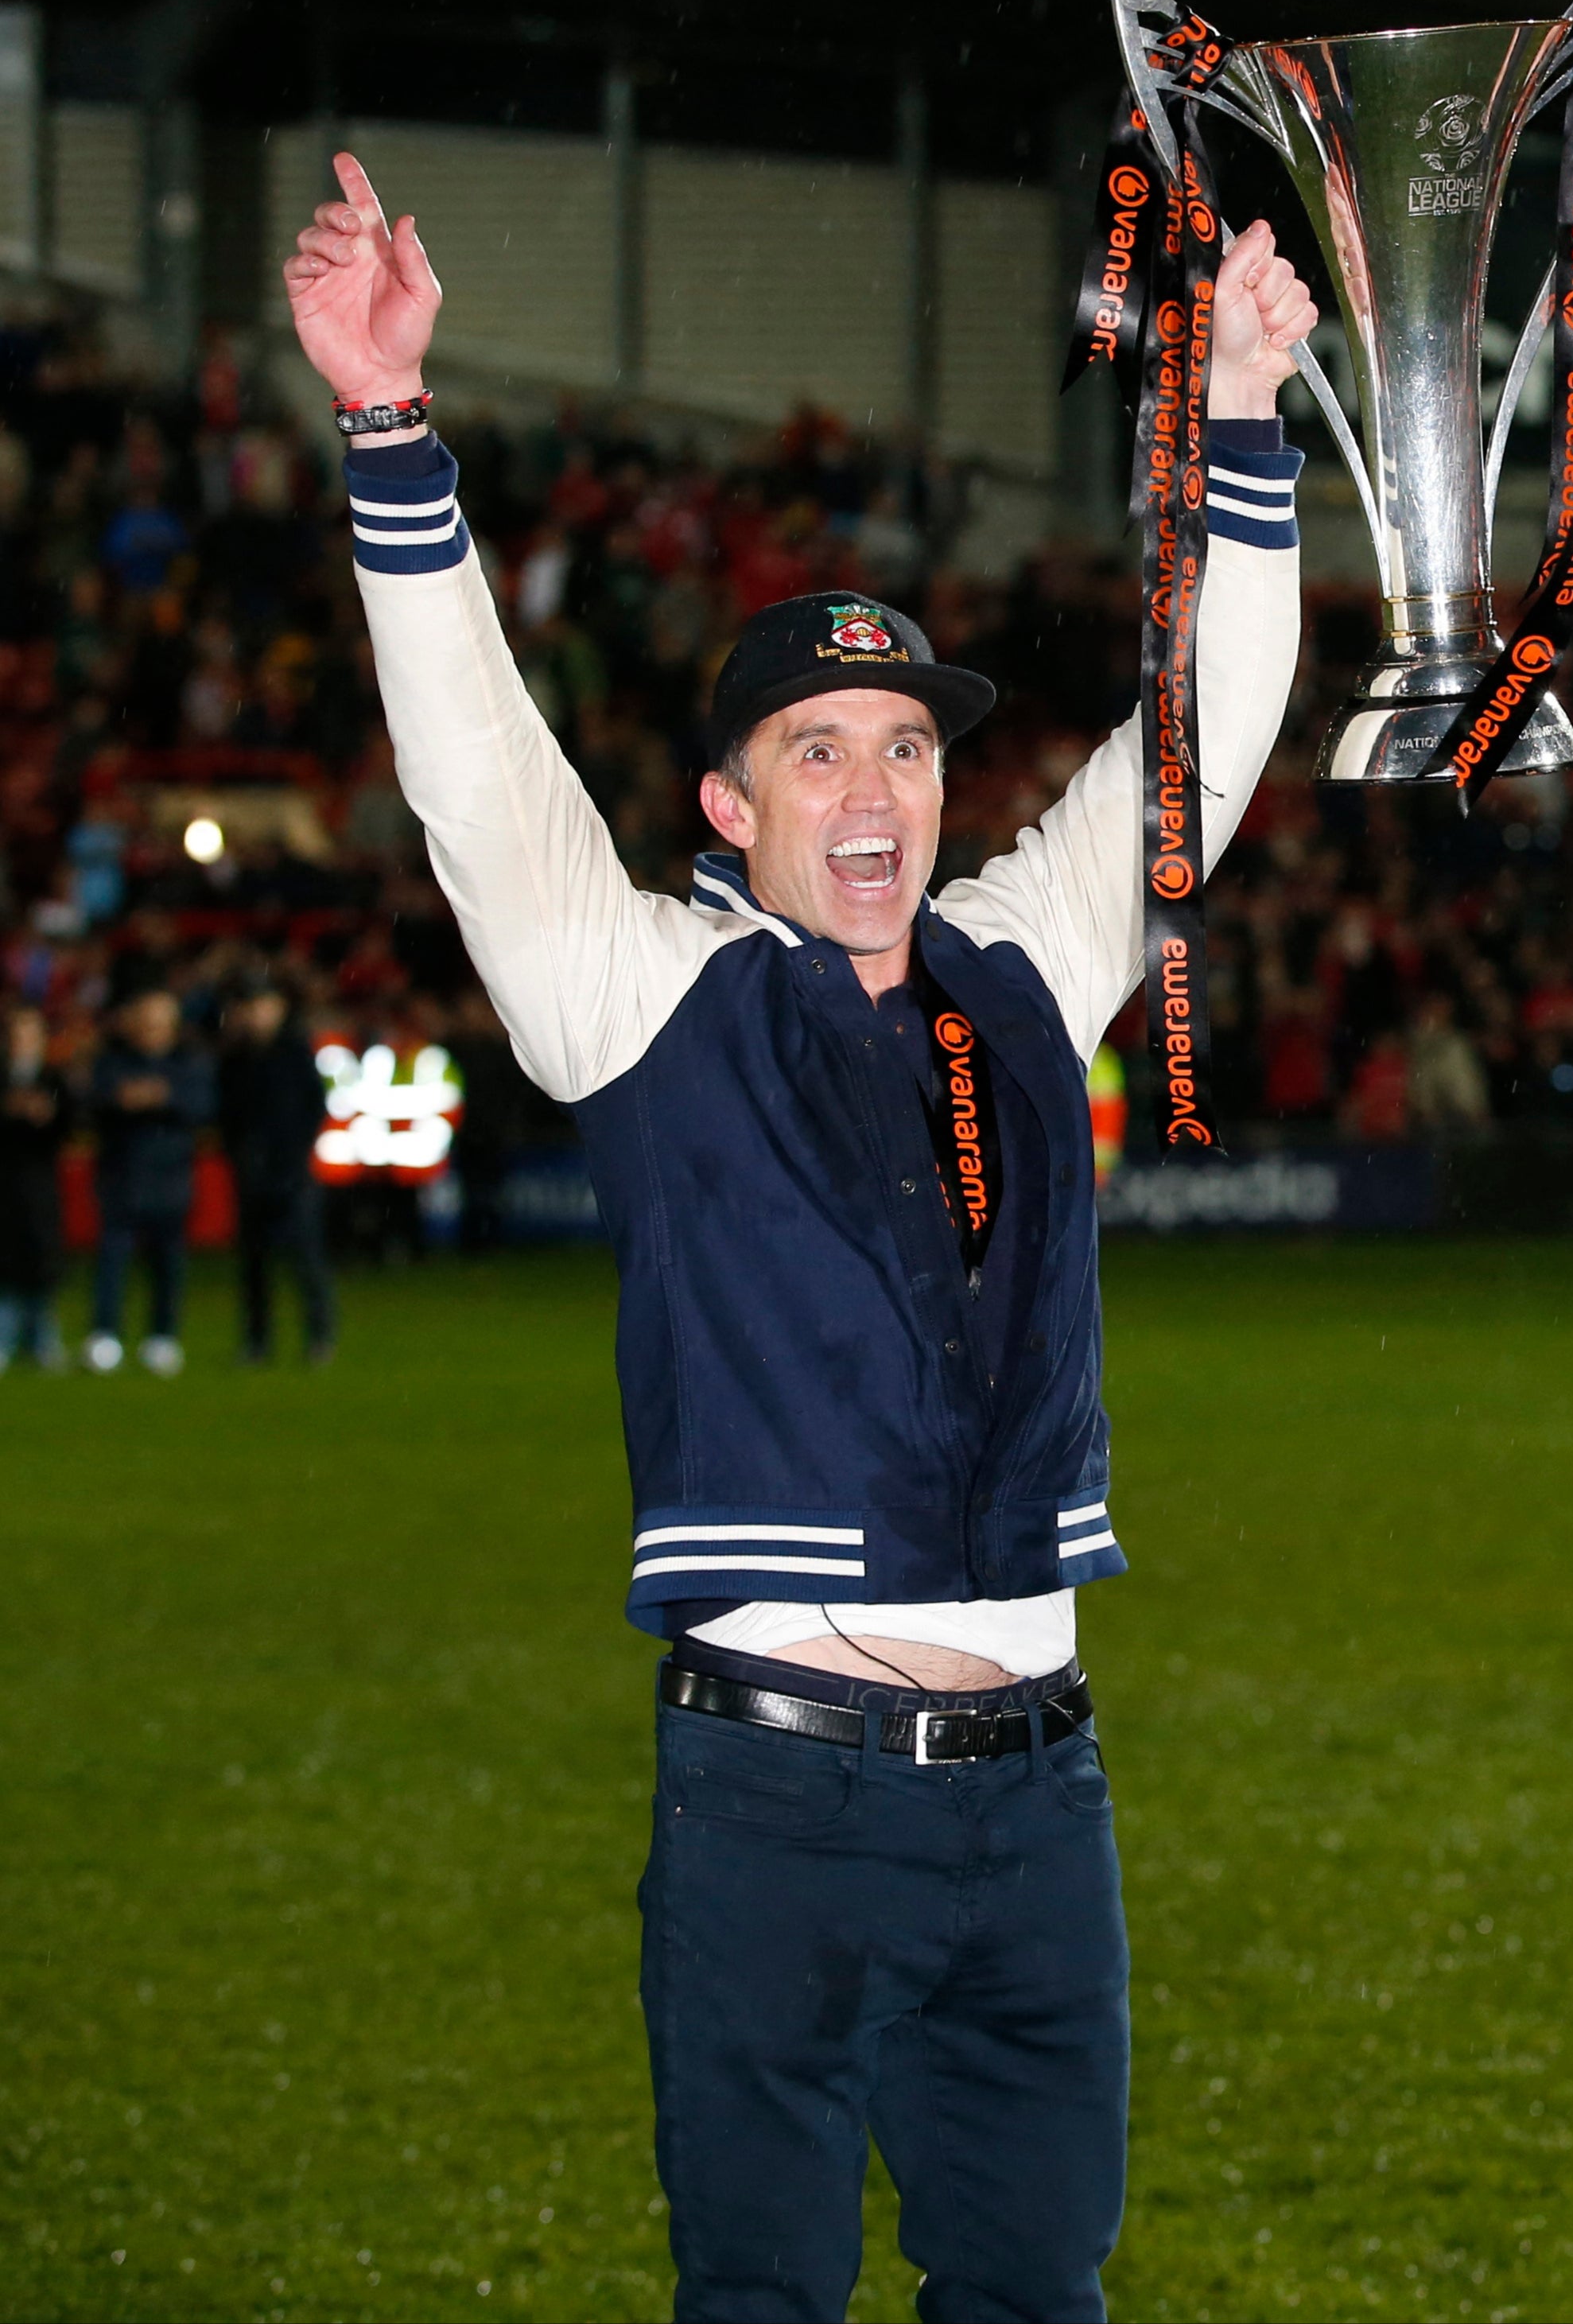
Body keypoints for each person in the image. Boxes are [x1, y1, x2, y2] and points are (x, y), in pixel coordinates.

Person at [283, 151, 1315, 2320]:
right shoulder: (638, 984)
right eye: (817, 743)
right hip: (774, 1795)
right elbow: (479, 774)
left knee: (1038, 2292)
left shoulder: (1026, 959)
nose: (878, 781)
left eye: (912, 744)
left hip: (1045, 1799)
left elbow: (1205, 745)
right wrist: (389, 429)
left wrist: (1236, 423)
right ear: (732, 808)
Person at [86, 985, 216, 1377]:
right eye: (145, 1021)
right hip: (121, 1178)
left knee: (168, 1264)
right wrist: (130, 1100)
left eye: (160, 1023)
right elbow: (94, 1103)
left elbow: (204, 1108)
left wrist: (163, 1097)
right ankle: (105, 1336)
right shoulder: (111, 1061)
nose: (152, 1029)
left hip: (171, 1180)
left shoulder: (189, 1062)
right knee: (112, 1261)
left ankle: (163, 1337)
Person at [217, 977, 336, 1365]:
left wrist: (295, 1153)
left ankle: (319, 1337)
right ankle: (257, 1342)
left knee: (306, 1260)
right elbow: (227, 1114)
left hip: (292, 1173)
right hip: (252, 1173)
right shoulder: (236, 1057)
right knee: (255, 1265)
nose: (257, 1014)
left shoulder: (294, 1053)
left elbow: (314, 1107)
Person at [1, 999, 72, 1370]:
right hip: (5, 1183)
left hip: (39, 1183)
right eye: (15, 1032)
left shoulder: (55, 1079)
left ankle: (43, 1340)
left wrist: (46, 1116)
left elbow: (71, 1125)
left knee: (41, 1259)